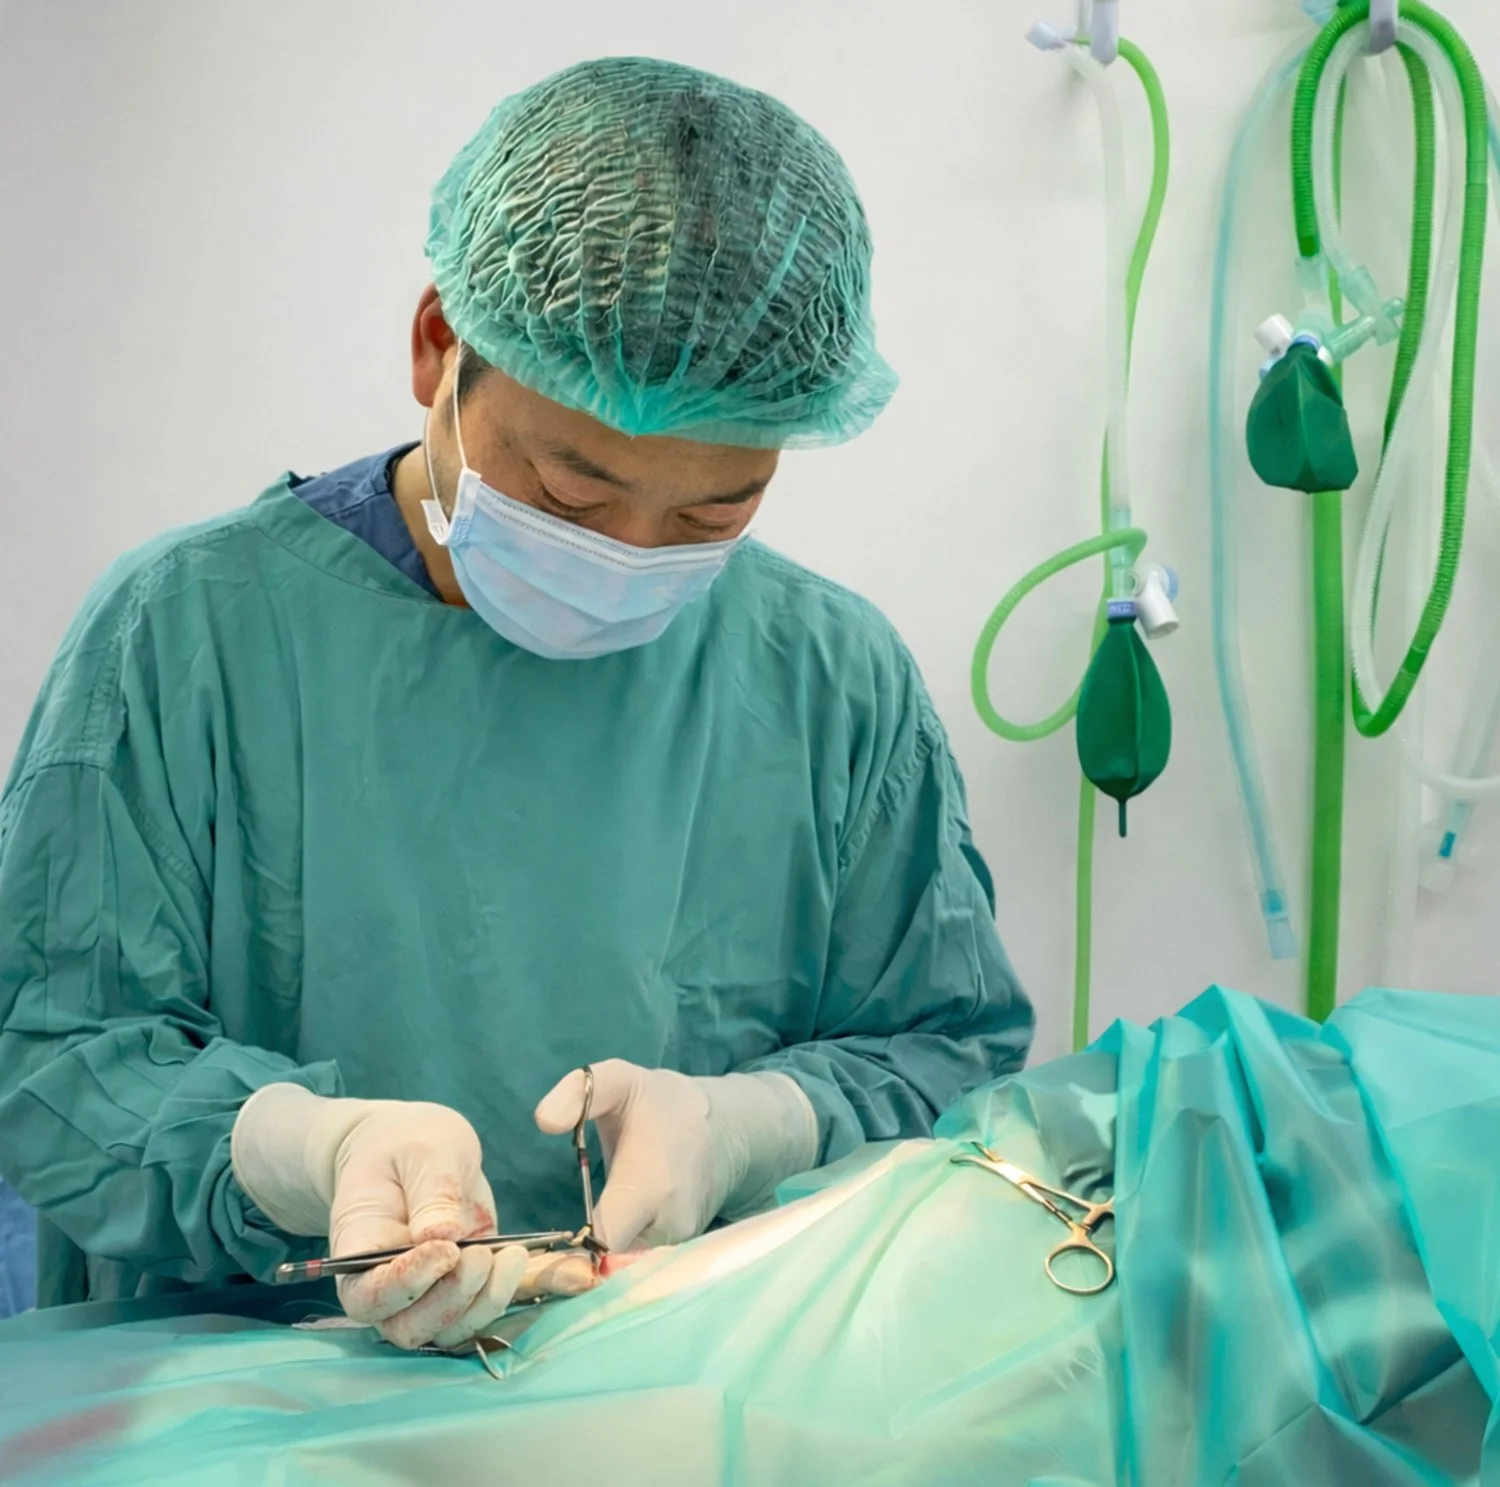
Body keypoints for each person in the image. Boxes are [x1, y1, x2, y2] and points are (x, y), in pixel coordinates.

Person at [0, 56, 1032, 1352]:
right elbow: (51, 1054)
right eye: (573, 493)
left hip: (669, 1399)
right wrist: (307, 1151)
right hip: (260, 1417)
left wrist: (751, 1124)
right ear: (439, 346)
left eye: (716, 508)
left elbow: (947, 1058)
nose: (635, 552)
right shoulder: (186, 637)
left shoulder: (834, 684)